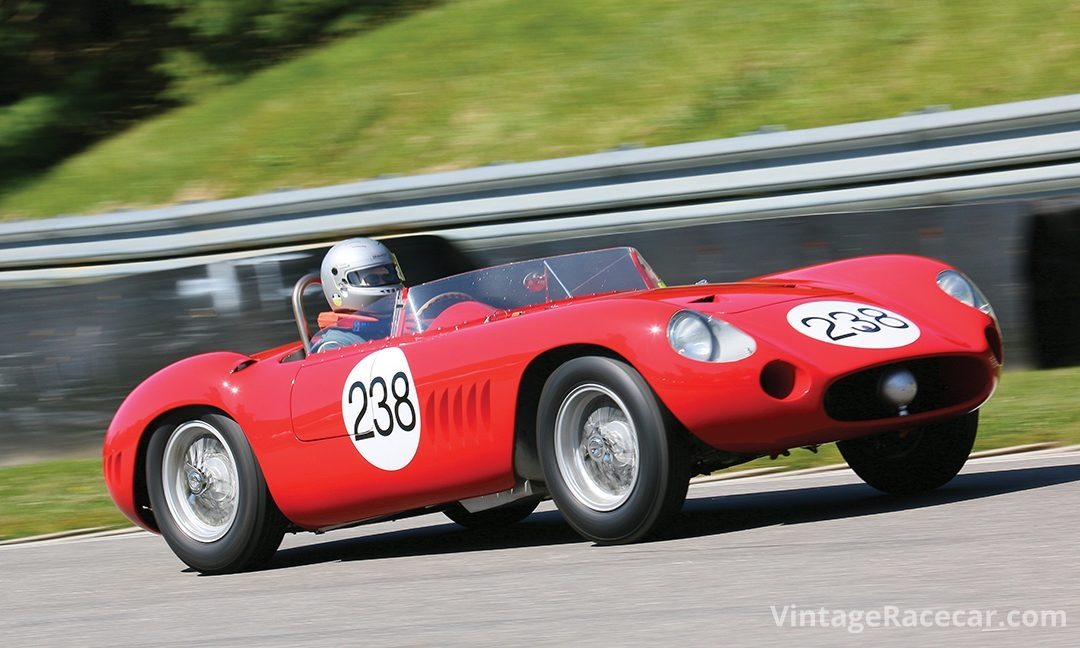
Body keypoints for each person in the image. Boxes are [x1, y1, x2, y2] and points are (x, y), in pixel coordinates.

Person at [311, 237, 404, 352]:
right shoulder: (334, 345)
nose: (384, 284)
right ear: (342, 285)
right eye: (373, 279)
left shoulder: (405, 323)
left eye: (388, 277)